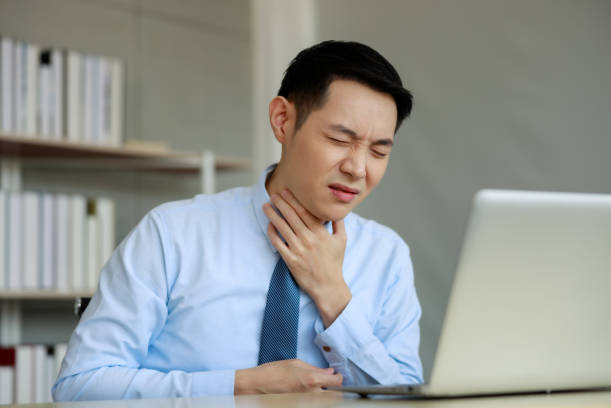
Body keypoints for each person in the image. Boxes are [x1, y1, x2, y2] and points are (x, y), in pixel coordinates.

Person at [52, 40, 423, 400]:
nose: (358, 168)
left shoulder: (386, 255)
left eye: (378, 151)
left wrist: (334, 296)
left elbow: (406, 399)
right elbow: (80, 385)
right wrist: (238, 386)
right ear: (283, 120)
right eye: (340, 140)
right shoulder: (172, 234)